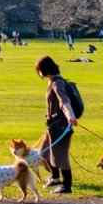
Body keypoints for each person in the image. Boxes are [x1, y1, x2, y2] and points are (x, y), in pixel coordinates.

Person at [34, 55, 79, 195]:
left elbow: (64, 101)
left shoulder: (57, 83)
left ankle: (67, 185)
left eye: (39, 70)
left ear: (45, 69)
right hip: (52, 126)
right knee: (44, 151)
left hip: (61, 126)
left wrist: (70, 116)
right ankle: (55, 177)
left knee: (60, 156)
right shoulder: (52, 81)